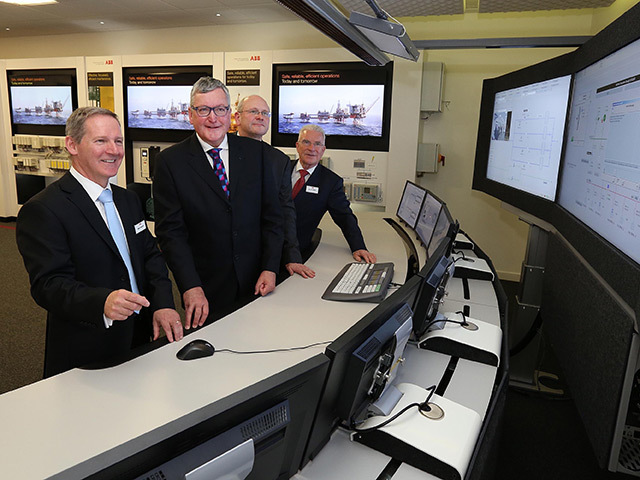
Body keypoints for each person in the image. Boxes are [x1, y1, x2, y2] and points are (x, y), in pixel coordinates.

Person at [16, 107, 183, 378]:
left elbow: (151, 255)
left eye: (118, 141)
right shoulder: (44, 209)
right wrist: (101, 302)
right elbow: (49, 285)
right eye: (101, 141)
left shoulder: (127, 199)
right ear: (72, 144)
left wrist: (164, 303)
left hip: (141, 337)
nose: (114, 150)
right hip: (87, 347)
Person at [153, 78, 284, 330]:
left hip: (257, 280)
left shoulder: (257, 154)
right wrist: (190, 286)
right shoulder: (170, 162)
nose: (213, 118)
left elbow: (272, 218)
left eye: (220, 109)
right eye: (203, 110)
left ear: (230, 115)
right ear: (190, 115)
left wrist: (270, 267)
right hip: (204, 288)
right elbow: (171, 233)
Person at [236, 95, 314, 279]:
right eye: (253, 111)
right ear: (238, 117)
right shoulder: (219, 151)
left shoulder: (279, 161)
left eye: (265, 113)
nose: (260, 116)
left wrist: (292, 256)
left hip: (261, 255)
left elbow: (285, 210)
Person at [292, 124, 377, 263]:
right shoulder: (279, 168)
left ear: (323, 150)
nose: (311, 149)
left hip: (295, 249)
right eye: (306, 142)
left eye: (317, 144)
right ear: (297, 145)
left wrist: (358, 246)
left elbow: (344, 217)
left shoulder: (330, 182)